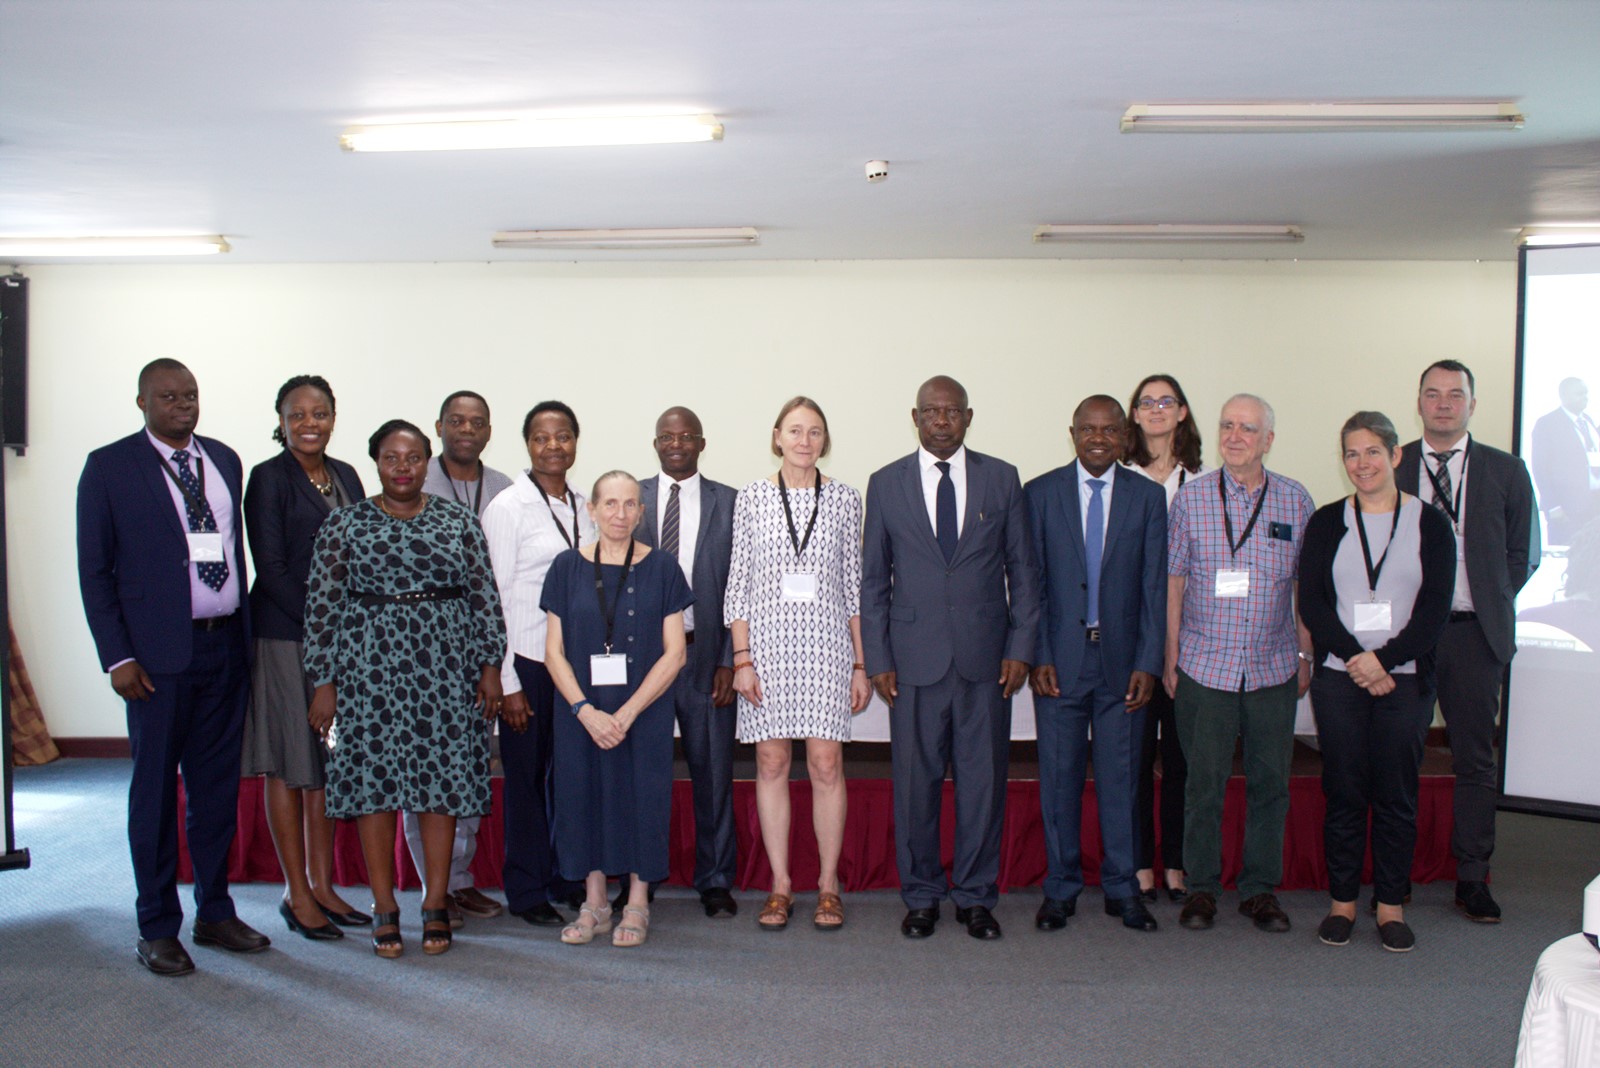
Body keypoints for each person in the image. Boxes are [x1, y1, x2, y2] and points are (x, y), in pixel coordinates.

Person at [76, 358, 269, 976]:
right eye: (167, 397)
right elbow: (94, 571)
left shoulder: (224, 459)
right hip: (155, 662)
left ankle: (214, 911)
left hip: (224, 651)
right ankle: (157, 925)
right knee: (156, 795)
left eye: (189, 395)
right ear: (141, 402)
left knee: (215, 793)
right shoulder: (109, 466)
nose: (182, 405)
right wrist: (118, 656)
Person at [303, 420, 506, 958]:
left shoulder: (459, 521)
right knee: (376, 790)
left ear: (426, 461)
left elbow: (485, 597)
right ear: (375, 462)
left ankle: (436, 901)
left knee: (440, 787)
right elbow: (321, 610)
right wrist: (323, 683)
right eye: (391, 457)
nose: (402, 467)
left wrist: (490, 668)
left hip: (445, 670)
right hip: (368, 672)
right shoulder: (344, 525)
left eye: (413, 457)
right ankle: (384, 904)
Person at [861, 375, 1039, 940]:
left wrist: (1021, 647)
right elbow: (872, 582)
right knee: (915, 784)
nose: (942, 420)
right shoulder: (885, 483)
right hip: (910, 662)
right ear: (915, 417)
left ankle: (975, 895)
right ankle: (920, 895)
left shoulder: (1002, 478)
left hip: (987, 661)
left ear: (968, 417)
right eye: (932, 412)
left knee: (982, 783)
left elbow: (1024, 574)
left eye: (952, 411)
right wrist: (878, 656)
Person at [1299, 411, 1455, 952]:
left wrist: (1384, 660)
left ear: (1395, 456)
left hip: (1406, 682)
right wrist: (1356, 658)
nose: (1361, 463)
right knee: (1343, 790)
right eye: (1350, 453)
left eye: (1371, 452)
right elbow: (1313, 604)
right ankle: (1342, 902)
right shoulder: (1325, 522)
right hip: (1340, 680)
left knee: (1396, 795)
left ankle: (1390, 904)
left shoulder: (1430, 525)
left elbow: (1434, 611)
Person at [1166, 393, 1315, 934]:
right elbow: (1173, 582)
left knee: (1270, 783)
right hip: (1205, 665)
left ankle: (1258, 890)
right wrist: (1171, 657)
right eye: (1227, 425)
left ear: (1268, 440)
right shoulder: (1191, 499)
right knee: (1202, 783)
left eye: (1247, 428)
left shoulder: (1296, 501)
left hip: (1273, 666)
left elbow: (1304, 585)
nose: (1234, 436)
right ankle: (1201, 887)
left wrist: (1304, 652)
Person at [1397, 360, 1539, 922]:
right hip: (1408, 636)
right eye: (1433, 394)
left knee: (1476, 759)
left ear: (1472, 405)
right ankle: (1395, 872)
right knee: (1400, 754)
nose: (1444, 404)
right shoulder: (1396, 463)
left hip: (1473, 634)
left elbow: (1522, 554)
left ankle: (1473, 877)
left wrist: (1486, 595)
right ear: (1420, 402)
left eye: (1456, 395)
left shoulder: (1507, 470)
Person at [726, 396, 870, 931]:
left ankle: (828, 885)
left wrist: (860, 664)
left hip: (827, 648)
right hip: (766, 649)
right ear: (777, 437)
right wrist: (742, 658)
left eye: (815, 432)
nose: (804, 440)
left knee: (827, 765)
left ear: (824, 441)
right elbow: (737, 583)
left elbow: (854, 588)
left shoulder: (846, 500)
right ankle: (781, 884)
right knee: (770, 764)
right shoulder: (753, 498)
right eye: (795, 430)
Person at [1026, 395, 1166, 935]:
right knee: (1058, 782)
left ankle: (1122, 889)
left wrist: (1149, 661)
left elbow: (1154, 588)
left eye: (1110, 429)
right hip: (1058, 663)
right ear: (1072, 433)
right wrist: (1036, 653)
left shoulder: (1149, 498)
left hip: (1123, 663)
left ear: (1125, 434)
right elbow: (1030, 585)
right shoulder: (1039, 494)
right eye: (1088, 429)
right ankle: (1060, 890)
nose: (1099, 438)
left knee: (1121, 782)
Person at [541, 472, 693, 947]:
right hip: (581, 713)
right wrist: (586, 710)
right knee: (581, 798)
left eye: (630, 505)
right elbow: (553, 651)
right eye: (610, 504)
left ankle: (637, 901)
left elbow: (675, 653)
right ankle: (595, 903)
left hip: (642, 712)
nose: (620, 514)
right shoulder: (566, 568)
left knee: (642, 799)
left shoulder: (664, 567)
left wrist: (625, 715)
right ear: (592, 509)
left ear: (641, 512)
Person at [240, 375, 366, 941]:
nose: (309, 423)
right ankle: (295, 891)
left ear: (334, 417)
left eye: (320, 413)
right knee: (291, 764)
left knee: (324, 767)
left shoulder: (346, 475)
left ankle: (322, 884)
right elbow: (273, 571)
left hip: (339, 640)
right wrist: (325, 632)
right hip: (286, 637)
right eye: (298, 414)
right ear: (282, 419)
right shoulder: (267, 479)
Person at [401, 389, 515, 926]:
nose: (467, 429)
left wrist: (495, 660)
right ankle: (435, 886)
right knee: (421, 769)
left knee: (468, 765)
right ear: (440, 427)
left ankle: (460, 879)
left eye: (477, 422)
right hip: (421, 652)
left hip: (482, 645)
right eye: (456, 421)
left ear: (489, 431)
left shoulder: (505, 490)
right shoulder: (412, 482)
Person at [481, 400, 593, 928]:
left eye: (563, 436)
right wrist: (505, 683)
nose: (554, 446)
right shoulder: (508, 507)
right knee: (525, 781)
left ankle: (565, 876)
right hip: (525, 664)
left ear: (575, 441)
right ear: (527, 444)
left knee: (569, 778)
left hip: (572, 666)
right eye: (542, 437)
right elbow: (493, 599)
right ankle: (526, 889)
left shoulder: (584, 505)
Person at [636, 406, 741, 918]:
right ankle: (640, 875)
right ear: (655, 444)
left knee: (714, 772)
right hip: (645, 664)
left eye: (686, 436)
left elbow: (742, 587)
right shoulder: (630, 498)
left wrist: (729, 658)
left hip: (706, 658)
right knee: (643, 773)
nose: (676, 444)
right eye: (666, 436)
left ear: (701, 443)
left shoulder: (732, 502)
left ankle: (716, 877)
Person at [1124, 372, 1207, 904]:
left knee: (1181, 758)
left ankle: (1176, 862)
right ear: (1134, 414)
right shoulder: (1118, 477)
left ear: (1181, 412)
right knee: (1131, 759)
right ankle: (1137, 866)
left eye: (1166, 401)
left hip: (1190, 638)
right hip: (1129, 640)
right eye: (1146, 402)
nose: (1156, 409)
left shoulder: (1203, 481)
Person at [1531, 377, 1600, 546]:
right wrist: (1553, 506)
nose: (1585, 397)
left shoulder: (1588, 421)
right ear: (1564, 396)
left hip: (1593, 507)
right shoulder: (1548, 423)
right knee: (1568, 557)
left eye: (1586, 393)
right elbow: (1540, 468)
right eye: (1579, 394)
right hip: (1566, 510)